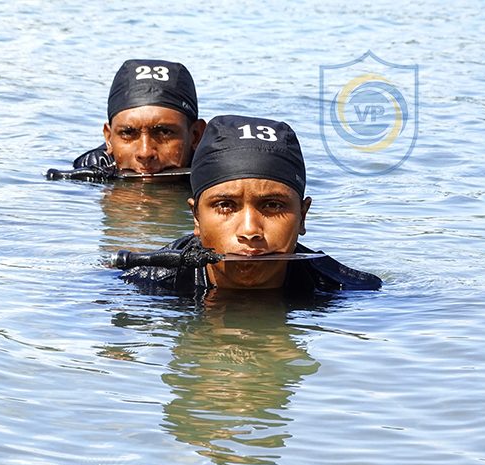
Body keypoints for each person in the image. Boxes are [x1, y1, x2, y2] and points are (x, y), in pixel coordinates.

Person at [118, 114, 382, 296]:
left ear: (302, 216)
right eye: (225, 205)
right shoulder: (143, 284)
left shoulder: (345, 289)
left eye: (273, 206)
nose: (249, 231)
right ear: (196, 217)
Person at [46, 59, 206, 181]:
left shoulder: (212, 166)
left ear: (196, 136)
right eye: (128, 133)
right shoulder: (93, 167)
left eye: (164, 132)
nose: (145, 153)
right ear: (109, 138)